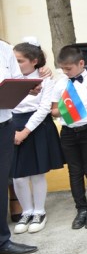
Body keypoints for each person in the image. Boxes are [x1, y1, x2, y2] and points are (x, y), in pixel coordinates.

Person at [11, 40, 64, 235]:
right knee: (18, 176)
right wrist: (13, 131)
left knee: (36, 172)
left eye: (20, 60)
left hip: (36, 126)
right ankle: (26, 211)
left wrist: (25, 131)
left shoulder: (45, 79)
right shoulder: (8, 77)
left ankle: (39, 211)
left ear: (34, 61)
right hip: (12, 125)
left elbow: (44, 109)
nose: (16, 64)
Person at [51, 46, 87, 229]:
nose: (65, 72)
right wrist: (66, 110)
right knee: (75, 171)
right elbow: (53, 110)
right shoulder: (60, 83)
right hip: (68, 132)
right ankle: (81, 208)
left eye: (69, 68)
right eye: (63, 69)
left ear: (81, 63)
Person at [0, 40, 38, 254]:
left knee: (1, 183)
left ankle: (2, 241)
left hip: (4, 124)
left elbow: (16, 82)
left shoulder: (4, 49)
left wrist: (29, 88)